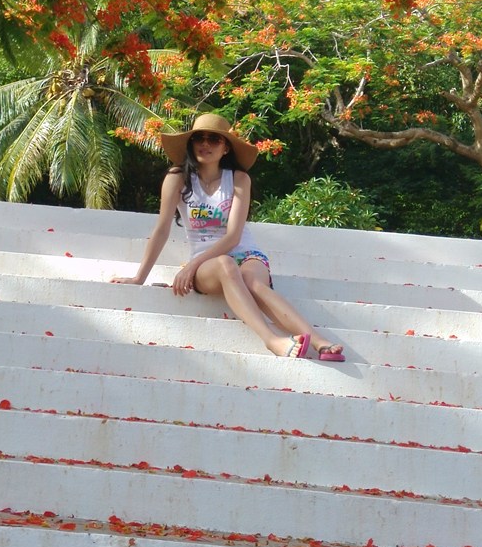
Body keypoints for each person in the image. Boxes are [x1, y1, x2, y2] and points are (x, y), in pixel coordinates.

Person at [112, 113, 345, 361]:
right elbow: (161, 229)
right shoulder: (177, 178)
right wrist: (139, 278)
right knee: (226, 264)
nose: (205, 144)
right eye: (199, 138)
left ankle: (317, 341)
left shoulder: (238, 179)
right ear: (191, 143)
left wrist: (189, 266)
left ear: (226, 148)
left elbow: (234, 236)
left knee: (253, 282)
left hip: (245, 253)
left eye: (214, 139)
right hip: (207, 263)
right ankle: (271, 340)